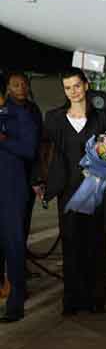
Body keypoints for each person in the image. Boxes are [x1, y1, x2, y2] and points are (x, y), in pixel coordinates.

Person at [41, 69, 106, 316]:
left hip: (94, 188)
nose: (73, 91)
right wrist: (41, 182)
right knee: (71, 245)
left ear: (86, 85)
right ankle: (72, 299)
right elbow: (45, 153)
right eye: (68, 87)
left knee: (95, 244)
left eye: (77, 86)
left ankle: (96, 298)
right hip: (68, 190)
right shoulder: (54, 119)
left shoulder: (101, 118)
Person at [0, 73, 39, 323]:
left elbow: (29, 149)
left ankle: (15, 304)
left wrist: (4, 141)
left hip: (12, 191)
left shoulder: (21, 114)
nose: (20, 88)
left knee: (14, 247)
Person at [5, 72, 43, 262]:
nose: (21, 88)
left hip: (29, 174)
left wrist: (39, 175)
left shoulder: (33, 109)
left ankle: (21, 261)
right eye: (15, 85)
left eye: (24, 84)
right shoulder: (4, 110)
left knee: (25, 219)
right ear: (8, 88)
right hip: (10, 175)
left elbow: (40, 143)